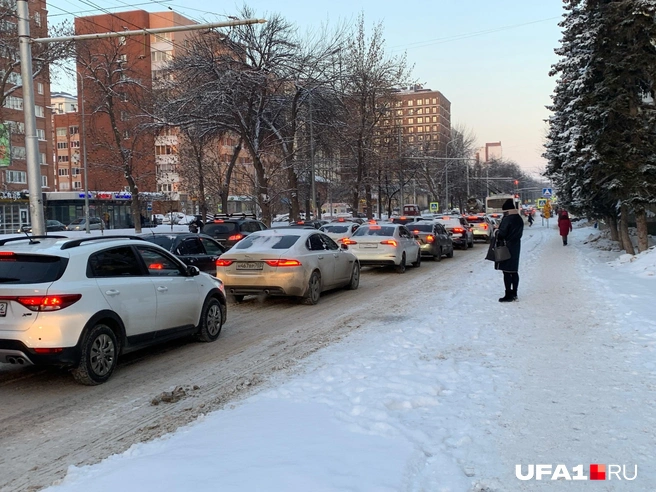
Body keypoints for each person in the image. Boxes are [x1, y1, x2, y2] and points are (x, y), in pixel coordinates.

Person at [496, 199, 524, 302]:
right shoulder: (518, 218)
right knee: (514, 271)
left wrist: (497, 232)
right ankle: (515, 293)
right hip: (516, 246)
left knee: (506, 271)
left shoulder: (507, 219)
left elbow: (502, 233)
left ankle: (508, 294)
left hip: (506, 247)